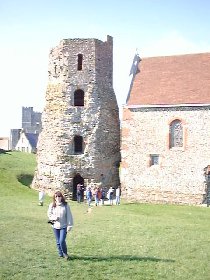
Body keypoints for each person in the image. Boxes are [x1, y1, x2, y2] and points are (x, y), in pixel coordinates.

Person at [47, 191, 73, 260]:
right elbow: (49, 214)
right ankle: (60, 253)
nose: (58, 198)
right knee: (58, 241)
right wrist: (54, 218)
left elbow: (69, 215)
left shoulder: (65, 205)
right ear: (54, 198)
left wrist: (69, 225)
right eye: (56, 197)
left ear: (61, 197)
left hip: (63, 226)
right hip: (55, 226)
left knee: (62, 241)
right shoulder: (52, 205)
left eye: (59, 196)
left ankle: (65, 254)